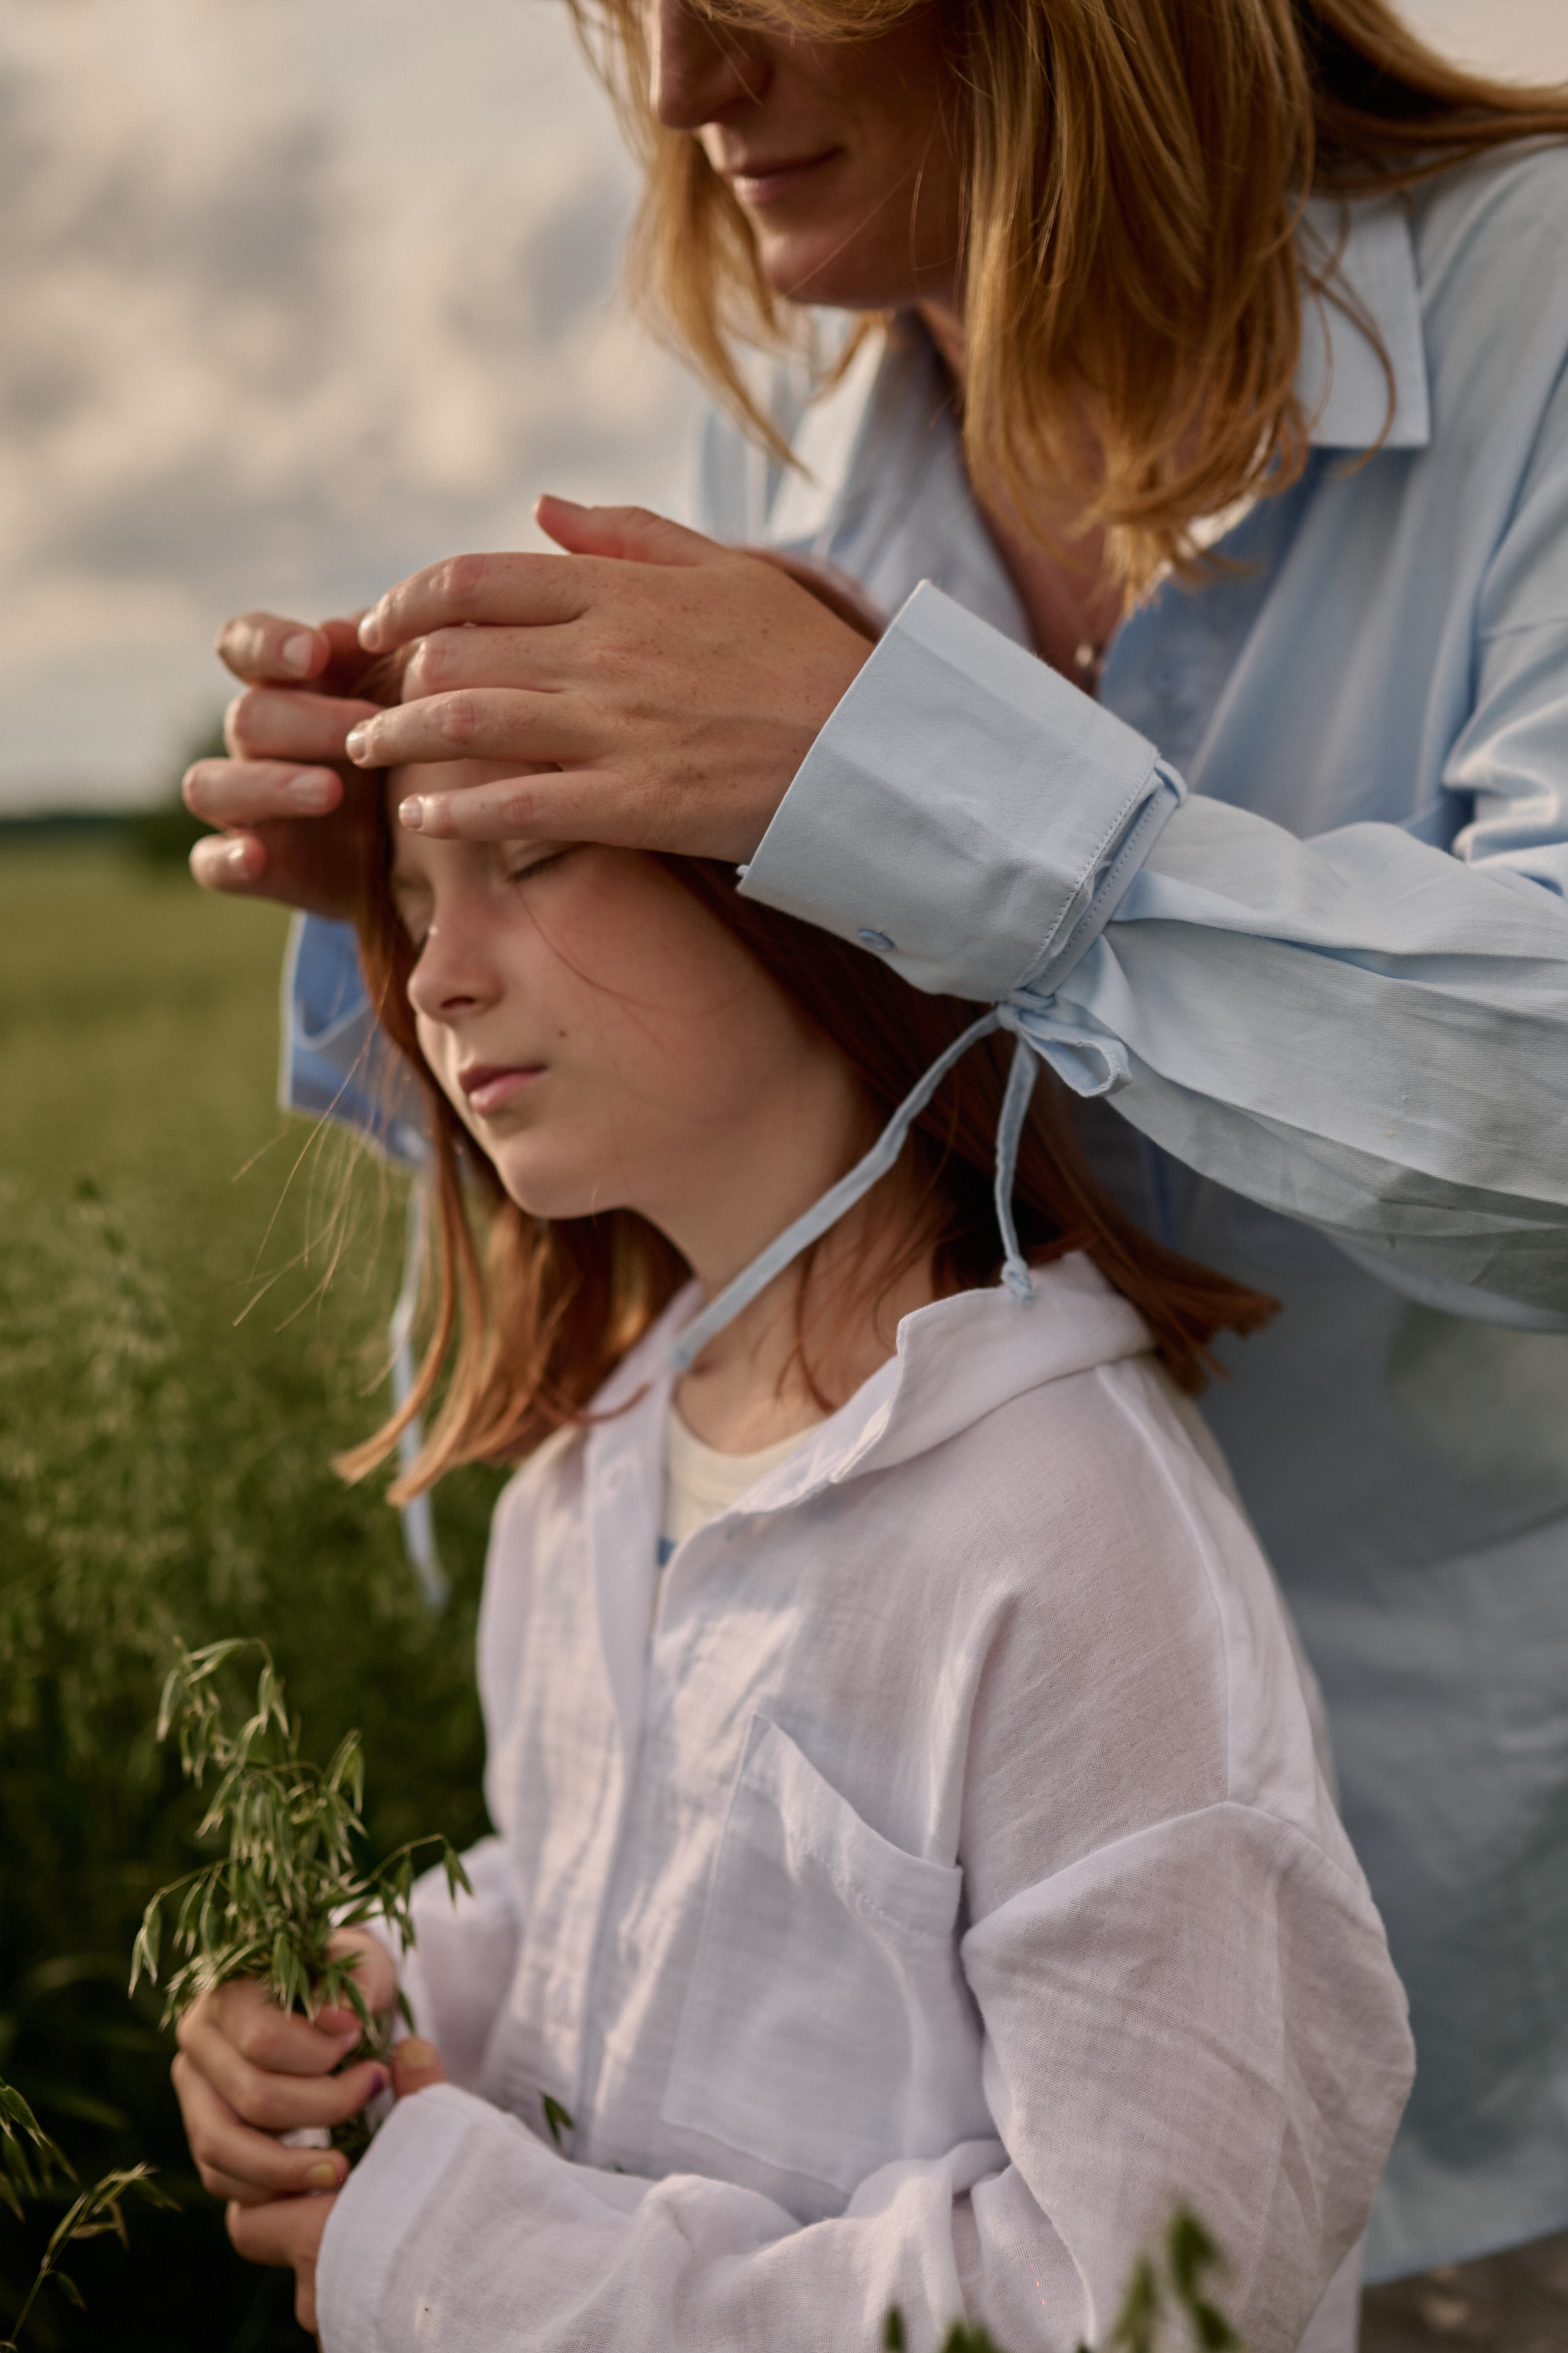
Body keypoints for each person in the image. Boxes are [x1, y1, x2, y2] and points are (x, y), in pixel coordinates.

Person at [183, 0, 1568, 2296]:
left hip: (1482, 2037)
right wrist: (407, 869)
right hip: (894, 2142)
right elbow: (718, 1383)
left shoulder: (1541, 310)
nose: (687, 85)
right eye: (639, 7)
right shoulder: (791, 491)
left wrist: (906, 777)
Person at [171, 745, 1413, 2350]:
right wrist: (387, 1995)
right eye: (408, 904)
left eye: (530, 860)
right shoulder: (595, 1463)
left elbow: (1157, 2296)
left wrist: (481, 2270)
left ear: (813, 884)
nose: (435, 977)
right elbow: (614, 1888)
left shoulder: (1071, 1535)